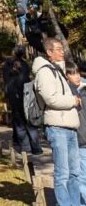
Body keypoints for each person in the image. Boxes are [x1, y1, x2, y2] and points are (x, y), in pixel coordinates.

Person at [33, 38, 81, 206]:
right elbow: (51, 99)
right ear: (49, 52)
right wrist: (72, 101)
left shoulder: (58, 70)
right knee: (63, 173)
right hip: (57, 127)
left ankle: (76, 203)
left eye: (62, 49)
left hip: (70, 127)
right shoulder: (44, 72)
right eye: (59, 49)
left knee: (75, 172)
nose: (63, 52)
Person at [2, 47, 42, 155]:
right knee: (28, 120)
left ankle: (26, 147)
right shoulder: (24, 64)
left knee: (20, 121)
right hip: (25, 94)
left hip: (17, 95)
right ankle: (35, 147)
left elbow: (7, 80)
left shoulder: (9, 65)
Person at [65, 63, 86, 206]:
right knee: (81, 175)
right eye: (72, 73)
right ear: (66, 76)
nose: (77, 76)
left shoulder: (83, 90)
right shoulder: (68, 93)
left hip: (83, 138)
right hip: (79, 139)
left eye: (77, 73)